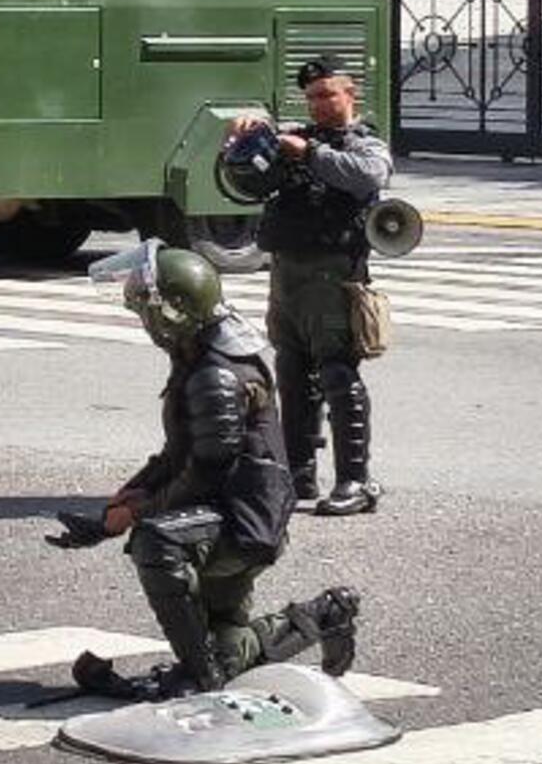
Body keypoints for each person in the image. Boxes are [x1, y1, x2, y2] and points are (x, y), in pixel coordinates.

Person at [49, 239, 357, 701]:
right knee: (229, 651)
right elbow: (179, 455)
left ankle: (202, 679)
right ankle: (326, 614)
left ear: (176, 310)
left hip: (240, 522)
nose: (145, 321)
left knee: (156, 540)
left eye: (147, 310)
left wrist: (136, 514)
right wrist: (114, 509)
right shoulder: (201, 352)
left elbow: (206, 471)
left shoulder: (214, 373)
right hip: (227, 511)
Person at [226, 55, 394, 517]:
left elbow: (367, 176)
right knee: (292, 370)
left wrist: (310, 153)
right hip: (288, 271)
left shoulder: (366, 144)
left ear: (349, 94)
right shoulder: (297, 137)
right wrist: (243, 140)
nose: (319, 104)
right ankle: (298, 473)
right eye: (312, 97)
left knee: (339, 372)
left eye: (327, 95)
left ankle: (355, 480)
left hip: (336, 272)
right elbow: (246, 184)